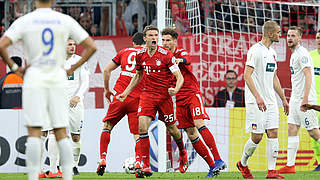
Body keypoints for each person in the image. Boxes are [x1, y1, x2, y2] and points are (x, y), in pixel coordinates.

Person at [0, 1, 97, 180]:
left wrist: (15, 68)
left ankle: (34, 174)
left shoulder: (26, 20)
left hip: (35, 76)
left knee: (36, 131)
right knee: (60, 131)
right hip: (56, 76)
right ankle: (62, 173)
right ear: (51, 1)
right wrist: (72, 68)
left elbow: (2, 45)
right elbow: (92, 46)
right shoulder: (63, 20)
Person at [117, 25, 188, 178]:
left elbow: (179, 77)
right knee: (142, 127)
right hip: (147, 96)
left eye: (156, 35)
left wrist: (175, 90)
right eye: (151, 35)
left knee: (172, 129)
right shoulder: (140, 55)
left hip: (164, 97)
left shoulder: (166, 55)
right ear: (145, 38)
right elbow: (138, 76)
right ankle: (146, 165)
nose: (154, 38)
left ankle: (182, 153)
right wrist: (125, 93)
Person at [161, 27, 226, 177]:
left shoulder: (180, 53)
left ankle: (218, 159)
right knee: (191, 133)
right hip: (179, 98)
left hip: (191, 94)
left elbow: (187, 59)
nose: (165, 43)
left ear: (175, 41)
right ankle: (212, 166)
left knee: (199, 123)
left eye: (168, 40)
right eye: (163, 40)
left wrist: (179, 60)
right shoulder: (162, 57)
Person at [236, 20, 289, 179]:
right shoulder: (255, 50)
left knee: (273, 132)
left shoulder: (272, 53)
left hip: (271, 101)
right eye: (279, 32)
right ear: (270, 33)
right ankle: (243, 163)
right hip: (255, 102)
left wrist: (283, 99)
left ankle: (272, 171)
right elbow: (246, 75)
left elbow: (274, 78)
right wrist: (258, 96)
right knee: (257, 136)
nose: (281, 35)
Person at [96, 32, 145, 176]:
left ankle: (102, 159)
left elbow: (106, 70)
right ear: (144, 41)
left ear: (133, 42)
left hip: (120, 96)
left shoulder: (124, 52)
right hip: (137, 98)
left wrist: (106, 90)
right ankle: (138, 162)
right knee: (137, 134)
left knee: (107, 127)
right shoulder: (146, 54)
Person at [277, 26, 320, 174]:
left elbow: (309, 75)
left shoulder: (302, 54)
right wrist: (292, 100)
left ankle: (290, 164)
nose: (290, 38)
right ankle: (290, 165)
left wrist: (306, 99)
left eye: (293, 36)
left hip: (304, 98)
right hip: (295, 98)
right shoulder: (294, 54)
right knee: (292, 128)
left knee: (314, 132)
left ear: (299, 38)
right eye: (288, 35)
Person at [309, 30, 320, 171]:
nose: (319, 40)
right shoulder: (309, 56)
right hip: (313, 100)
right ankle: (319, 161)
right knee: (314, 132)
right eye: (318, 38)